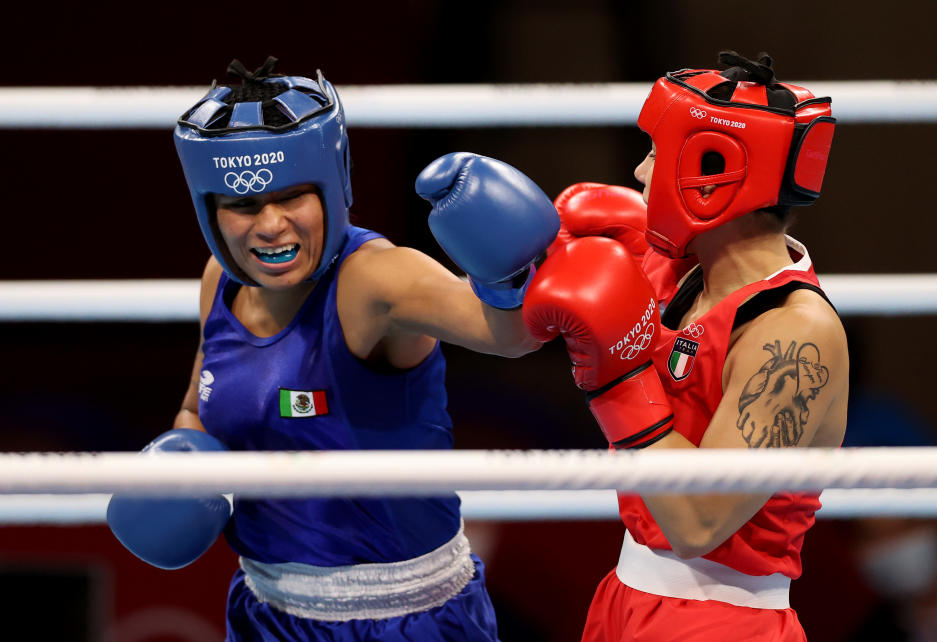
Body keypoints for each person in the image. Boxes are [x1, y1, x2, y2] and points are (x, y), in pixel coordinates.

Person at [105, 57, 559, 641]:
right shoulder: (219, 281)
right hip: (266, 610)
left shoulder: (375, 279)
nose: (269, 225)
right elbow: (199, 405)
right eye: (243, 205)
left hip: (407, 619)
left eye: (292, 197)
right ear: (211, 212)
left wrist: (508, 270)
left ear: (331, 187)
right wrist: (184, 467)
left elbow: (513, 335)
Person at [523, 51, 849, 640]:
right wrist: (507, 262)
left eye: (657, 153)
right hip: (624, 595)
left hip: (721, 622)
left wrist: (616, 383)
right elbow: (521, 331)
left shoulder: (795, 333)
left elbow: (699, 520)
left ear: (713, 170)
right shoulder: (671, 272)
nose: (641, 172)